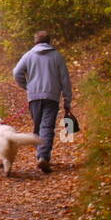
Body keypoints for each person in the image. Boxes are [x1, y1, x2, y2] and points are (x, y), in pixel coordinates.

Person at [12, 31, 73, 173]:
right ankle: (43, 156)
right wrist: (67, 99)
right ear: (49, 41)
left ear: (35, 41)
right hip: (51, 97)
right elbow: (65, 79)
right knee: (46, 127)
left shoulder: (28, 55)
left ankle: (41, 154)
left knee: (38, 125)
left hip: (34, 97)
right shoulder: (57, 56)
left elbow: (16, 73)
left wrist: (27, 86)